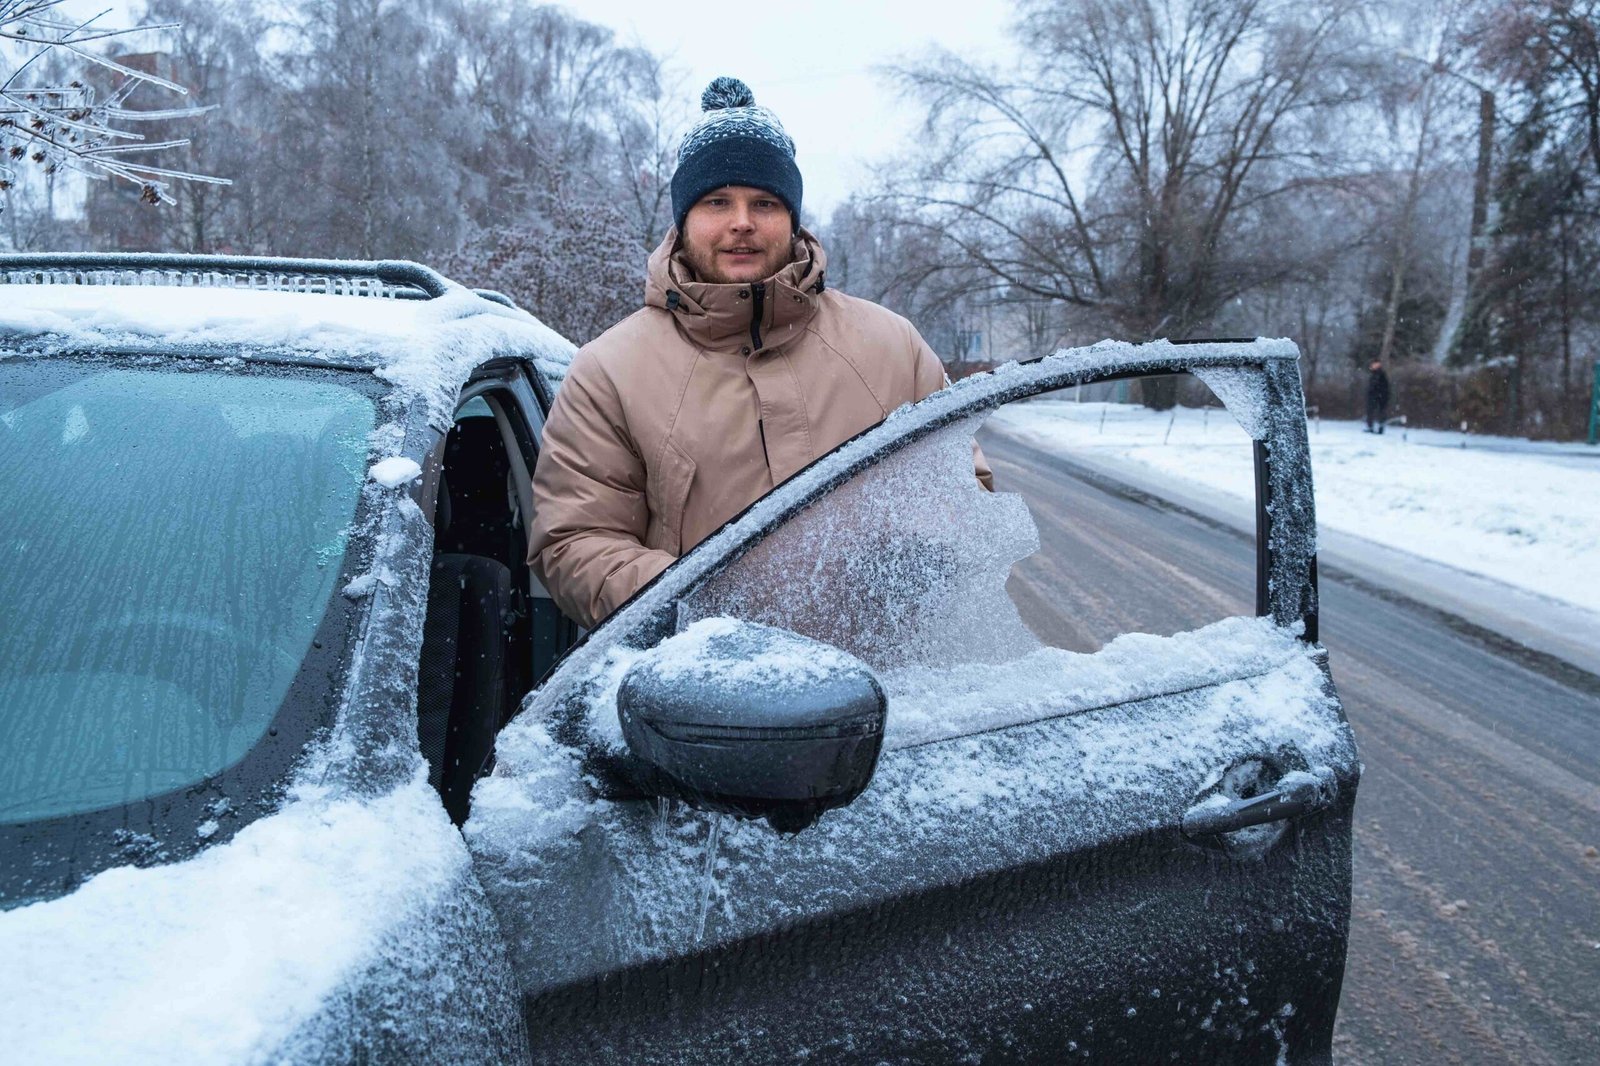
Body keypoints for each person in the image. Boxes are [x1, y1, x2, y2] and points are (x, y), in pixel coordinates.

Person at [529, 76, 991, 628]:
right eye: (717, 201)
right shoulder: (610, 370)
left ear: (792, 219)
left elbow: (966, 493)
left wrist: (908, 568)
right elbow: (577, 541)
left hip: (889, 688)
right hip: (695, 700)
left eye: (764, 202)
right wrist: (704, 614)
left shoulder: (893, 346)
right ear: (684, 220)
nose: (741, 222)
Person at [1365, 359, 1391, 433]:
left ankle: (1380, 428)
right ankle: (1371, 427)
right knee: (1371, 411)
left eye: (1374, 364)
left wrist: (1377, 393)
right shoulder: (1374, 374)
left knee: (1380, 412)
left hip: (1380, 396)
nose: (1372, 366)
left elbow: (1381, 386)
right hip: (1375, 395)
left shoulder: (1380, 374)